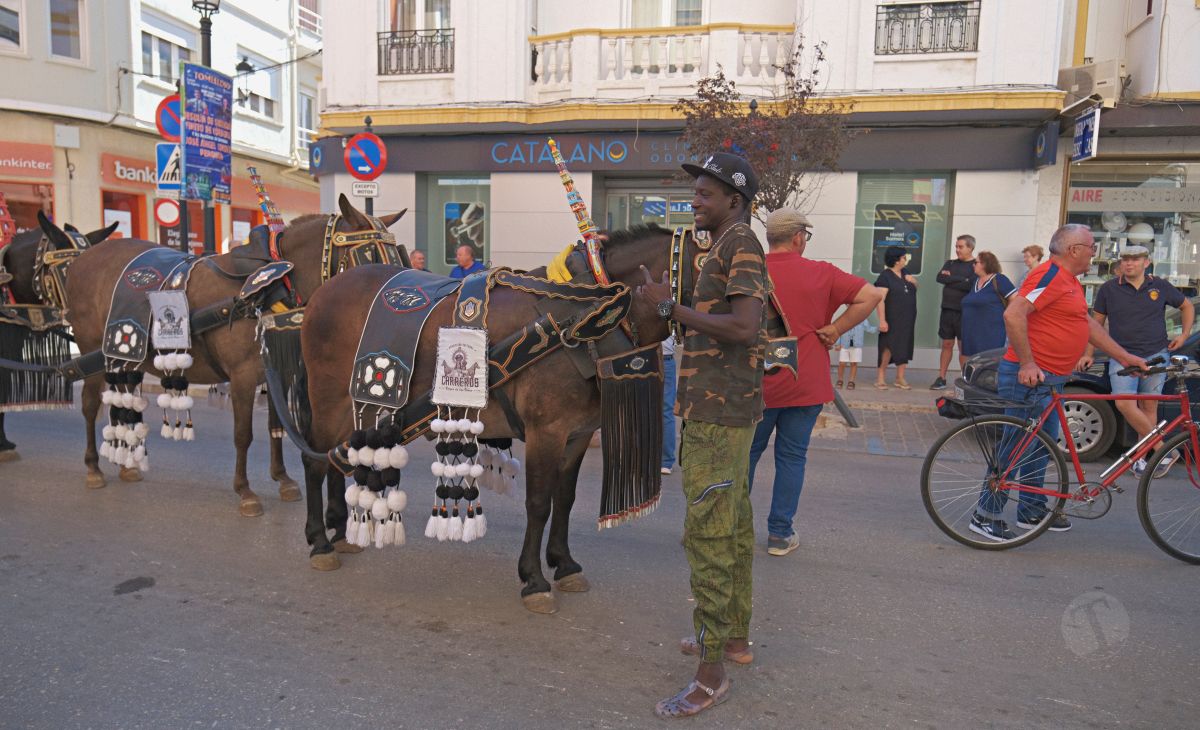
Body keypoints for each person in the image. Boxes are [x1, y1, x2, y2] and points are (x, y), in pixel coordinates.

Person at [636, 152, 766, 718]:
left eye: (706, 194)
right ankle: (731, 639)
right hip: (718, 407)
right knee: (732, 525)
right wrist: (671, 306)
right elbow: (711, 318)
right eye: (696, 192)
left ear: (733, 201)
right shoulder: (720, 244)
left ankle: (710, 673)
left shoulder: (741, 243)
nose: (695, 200)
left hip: (720, 411)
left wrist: (672, 308)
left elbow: (744, 326)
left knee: (709, 534)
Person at [971, 224, 1147, 541]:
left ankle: (1031, 511)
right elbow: (1014, 314)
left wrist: (1125, 357)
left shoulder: (1069, 283)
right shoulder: (1047, 275)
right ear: (1073, 250)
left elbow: (1087, 326)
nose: (1096, 253)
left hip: (1051, 380)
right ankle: (985, 514)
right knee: (1014, 446)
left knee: (1042, 447)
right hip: (1027, 378)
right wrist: (1026, 362)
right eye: (1092, 247)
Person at [747, 209, 882, 556]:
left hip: (756, 382)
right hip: (805, 380)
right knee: (792, 458)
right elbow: (871, 295)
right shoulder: (821, 272)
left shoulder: (749, 269)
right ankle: (779, 534)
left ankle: (733, 529)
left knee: (746, 456)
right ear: (798, 238)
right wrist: (836, 329)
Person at [1079, 245, 1194, 477]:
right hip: (1122, 355)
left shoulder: (1159, 286)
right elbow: (1095, 324)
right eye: (1125, 259)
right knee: (1124, 403)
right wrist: (1088, 353)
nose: (1128, 263)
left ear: (1146, 262)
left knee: (1148, 406)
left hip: (1155, 354)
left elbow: (1186, 306)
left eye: (1134, 259)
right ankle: (1163, 450)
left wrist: (1184, 335)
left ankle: (1141, 460)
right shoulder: (1109, 289)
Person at [931, 234, 977, 389]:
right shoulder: (950, 263)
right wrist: (961, 280)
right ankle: (941, 378)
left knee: (964, 347)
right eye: (956, 246)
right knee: (947, 344)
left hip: (965, 313)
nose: (957, 249)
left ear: (970, 248)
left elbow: (970, 284)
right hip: (947, 310)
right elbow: (940, 278)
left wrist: (952, 279)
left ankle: (966, 380)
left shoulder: (976, 265)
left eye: (961, 247)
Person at [874, 246, 918, 389]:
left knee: (904, 346)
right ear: (897, 259)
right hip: (892, 318)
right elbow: (880, 299)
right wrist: (882, 320)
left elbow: (915, 286)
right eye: (904, 257)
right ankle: (880, 377)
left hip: (907, 318)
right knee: (887, 347)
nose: (906, 259)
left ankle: (900, 377)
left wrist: (914, 281)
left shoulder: (905, 273)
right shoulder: (885, 276)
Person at [960, 251, 1015, 357]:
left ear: (985, 264)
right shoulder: (975, 281)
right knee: (975, 361)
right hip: (971, 331)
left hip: (990, 332)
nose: (973, 265)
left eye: (976, 262)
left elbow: (1014, 297)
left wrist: (1008, 314)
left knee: (989, 361)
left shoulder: (999, 279)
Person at [835, 316, 875, 389]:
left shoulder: (862, 319)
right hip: (844, 344)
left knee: (854, 363)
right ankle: (840, 379)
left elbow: (869, 328)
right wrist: (838, 343)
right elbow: (839, 330)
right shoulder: (843, 318)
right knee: (842, 363)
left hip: (857, 345)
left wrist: (879, 329)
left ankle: (851, 381)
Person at [660, 335, 677, 475]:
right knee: (666, 411)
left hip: (662, 357)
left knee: (665, 411)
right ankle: (666, 461)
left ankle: (665, 461)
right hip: (665, 357)